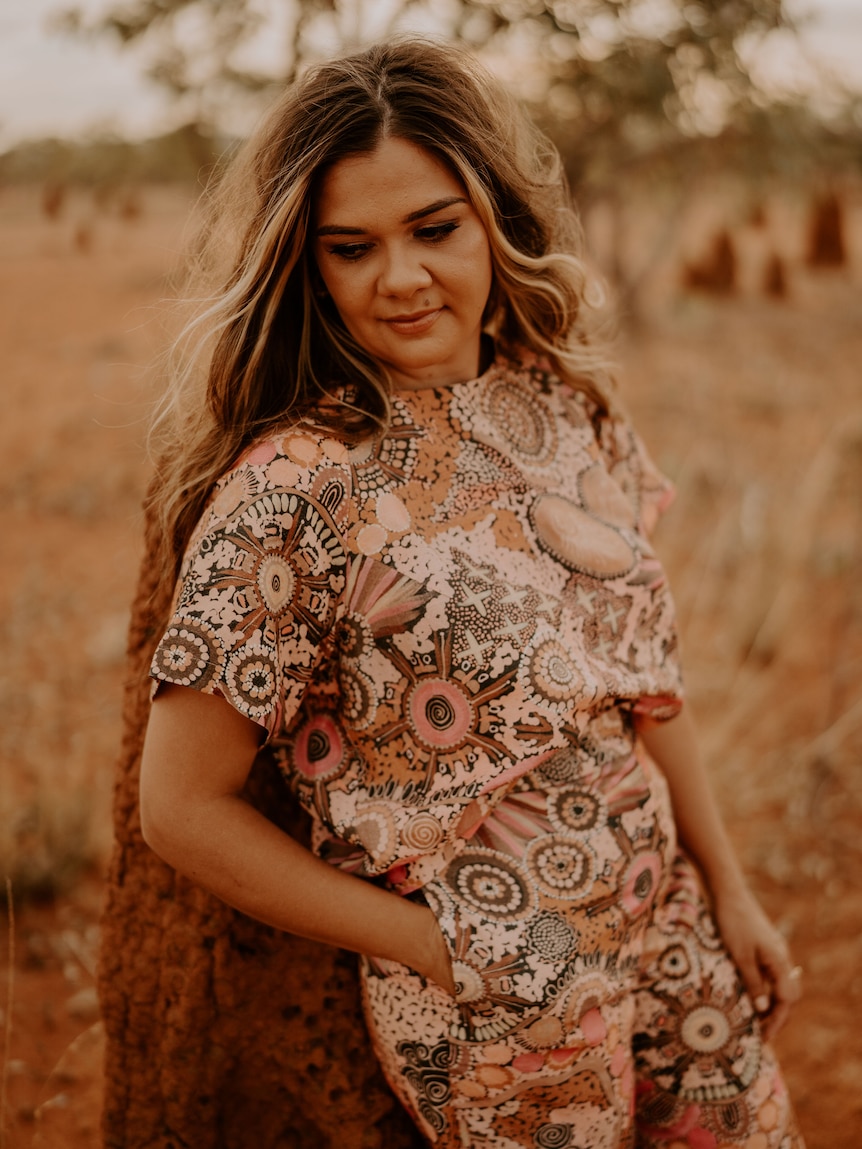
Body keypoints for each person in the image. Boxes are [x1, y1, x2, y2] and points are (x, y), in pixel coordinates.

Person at [136, 37, 804, 1147]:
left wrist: (726, 888)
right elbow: (178, 809)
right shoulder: (295, 491)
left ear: (495, 217)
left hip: (671, 923)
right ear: (307, 264)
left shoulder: (566, 409)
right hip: (501, 993)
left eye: (434, 229)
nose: (400, 278)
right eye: (351, 248)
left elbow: (643, 685)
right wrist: (437, 949)